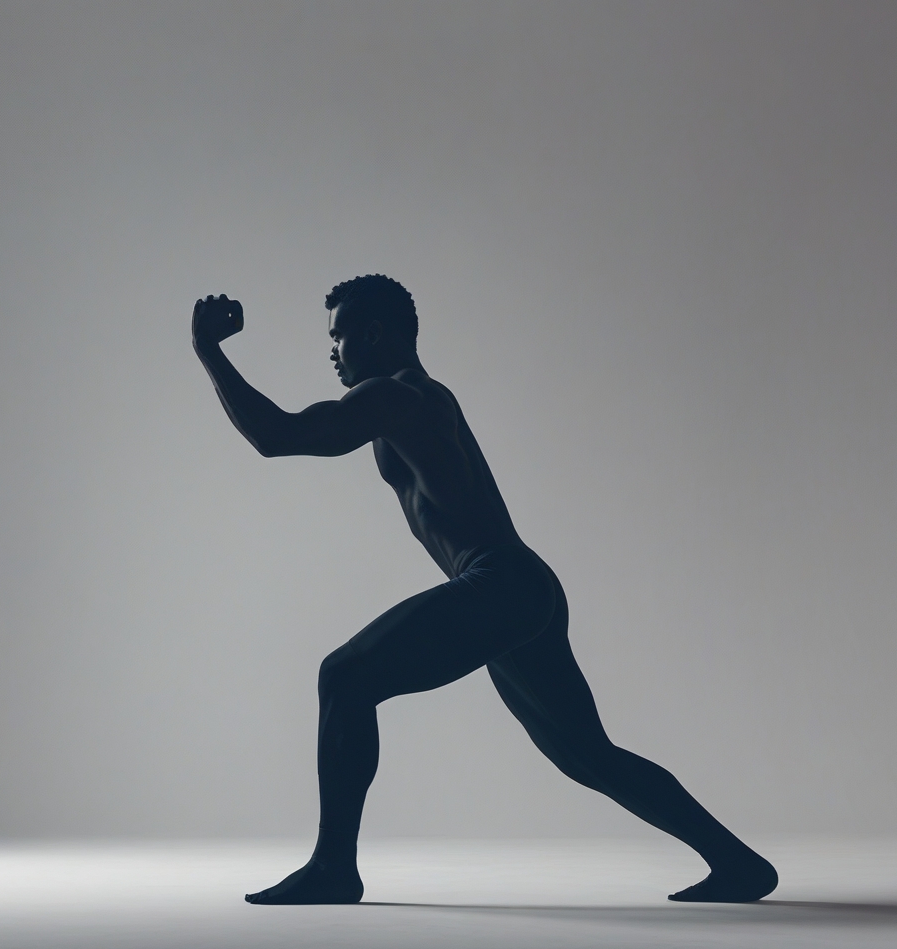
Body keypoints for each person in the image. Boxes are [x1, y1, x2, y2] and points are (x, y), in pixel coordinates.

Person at [192, 275, 778, 906]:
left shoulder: (396, 397)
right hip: (521, 589)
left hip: (499, 583)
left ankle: (334, 867)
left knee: (344, 676)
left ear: (374, 334)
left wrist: (210, 351)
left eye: (337, 336)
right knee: (589, 756)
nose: (331, 352)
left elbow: (277, 436)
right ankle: (739, 864)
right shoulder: (411, 398)